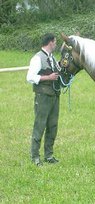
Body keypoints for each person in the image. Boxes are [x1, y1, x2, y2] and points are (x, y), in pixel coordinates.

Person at [26, 33, 61, 166]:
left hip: (55, 95)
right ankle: (35, 156)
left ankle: (49, 155)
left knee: (53, 125)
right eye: (55, 42)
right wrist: (48, 78)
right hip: (42, 96)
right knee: (40, 125)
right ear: (50, 42)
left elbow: (57, 73)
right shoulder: (37, 58)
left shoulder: (52, 58)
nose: (56, 44)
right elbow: (30, 77)